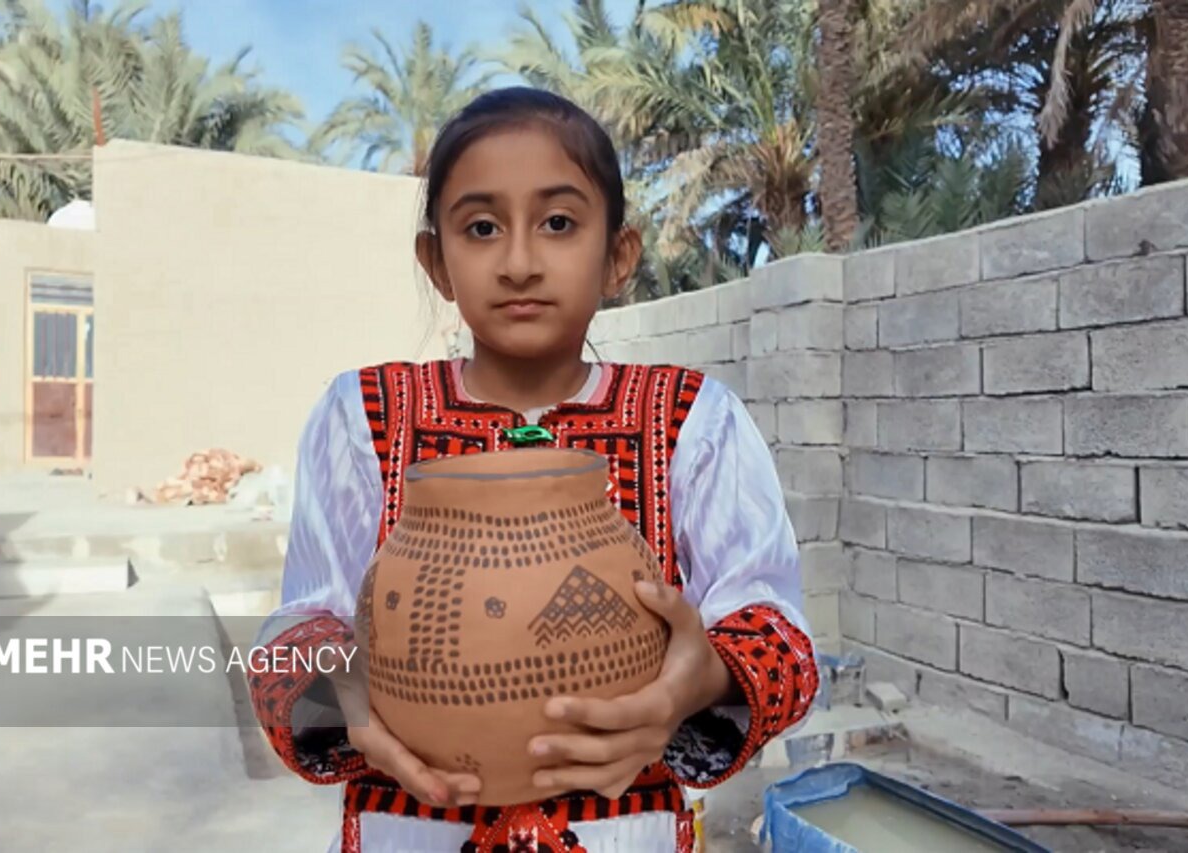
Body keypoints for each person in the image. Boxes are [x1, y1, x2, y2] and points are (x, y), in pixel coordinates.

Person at [247, 86, 819, 853]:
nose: (518, 262)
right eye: (481, 227)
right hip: (407, 829)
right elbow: (303, 620)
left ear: (619, 255)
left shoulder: (693, 420)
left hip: (627, 828)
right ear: (437, 261)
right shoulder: (362, 416)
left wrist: (701, 677)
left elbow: (775, 632)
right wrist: (338, 690)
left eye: (558, 222)